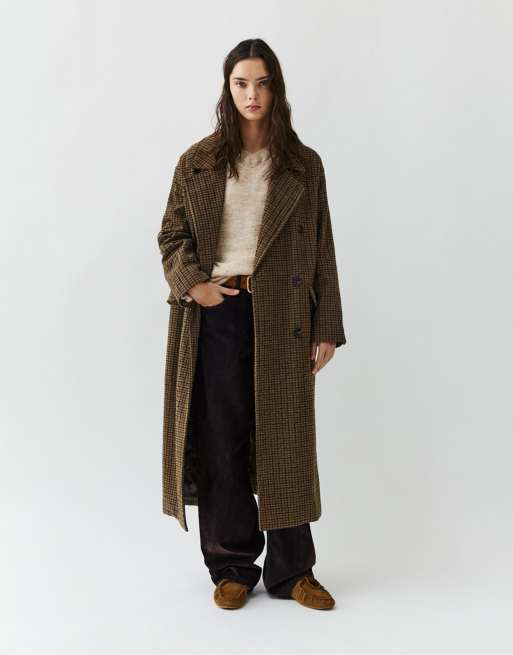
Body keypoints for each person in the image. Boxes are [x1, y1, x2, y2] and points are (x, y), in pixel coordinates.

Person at [157, 38, 347, 610]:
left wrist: (326, 327)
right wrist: (195, 284)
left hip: (284, 316)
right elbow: (172, 235)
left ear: (276, 89)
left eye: (262, 83)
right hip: (218, 314)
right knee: (222, 439)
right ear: (228, 89)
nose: (252, 94)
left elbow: (322, 248)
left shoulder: (303, 165)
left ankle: (293, 572)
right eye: (241, 83)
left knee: (286, 442)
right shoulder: (198, 161)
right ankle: (232, 566)